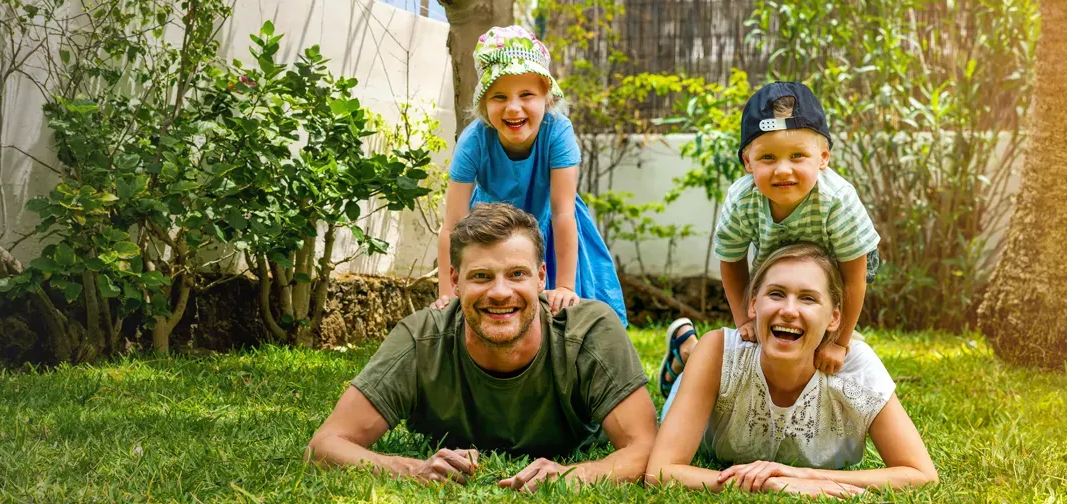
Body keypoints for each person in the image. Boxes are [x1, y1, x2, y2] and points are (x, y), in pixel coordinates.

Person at [307, 203, 655, 491]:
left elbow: (645, 447)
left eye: (517, 274)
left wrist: (574, 475)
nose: (500, 292)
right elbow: (325, 445)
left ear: (541, 277)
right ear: (455, 281)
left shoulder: (590, 329)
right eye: (481, 276)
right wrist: (412, 469)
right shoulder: (420, 339)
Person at [645, 243, 937, 498]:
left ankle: (685, 353)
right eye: (776, 294)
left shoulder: (856, 369)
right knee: (689, 379)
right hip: (704, 384)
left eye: (808, 298)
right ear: (753, 304)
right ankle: (688, 354)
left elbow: (920, 474)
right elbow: (660, 471)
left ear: (835, 317)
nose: (788, 310)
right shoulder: (719, 353)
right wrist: (771, 485)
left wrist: (805, 476)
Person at [660, 81, 880, 397]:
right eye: (767, 158)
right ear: (748, 162)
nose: (782, 169)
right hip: (776, 265)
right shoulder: (742, 200)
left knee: (826, 359)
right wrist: (743, 321)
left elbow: (854, 278)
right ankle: (689, 353)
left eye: (797, 155)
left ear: (823, 157)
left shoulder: (837, 201)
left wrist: (841, 341)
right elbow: (732, 262)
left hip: (839, 269)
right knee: (758, 351)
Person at [430, 25, 628, 327]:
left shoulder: (557, 132)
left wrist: (565, 286)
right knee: (499, 309)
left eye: (526, 94)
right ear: (484, 104)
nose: (513, 107)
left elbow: (563, 212)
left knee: (568, 316)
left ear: (546, 98)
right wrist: (448, 294)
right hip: (492, 230)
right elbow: (452, 226)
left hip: (552, 225)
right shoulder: (474, 140)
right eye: (498, 97)